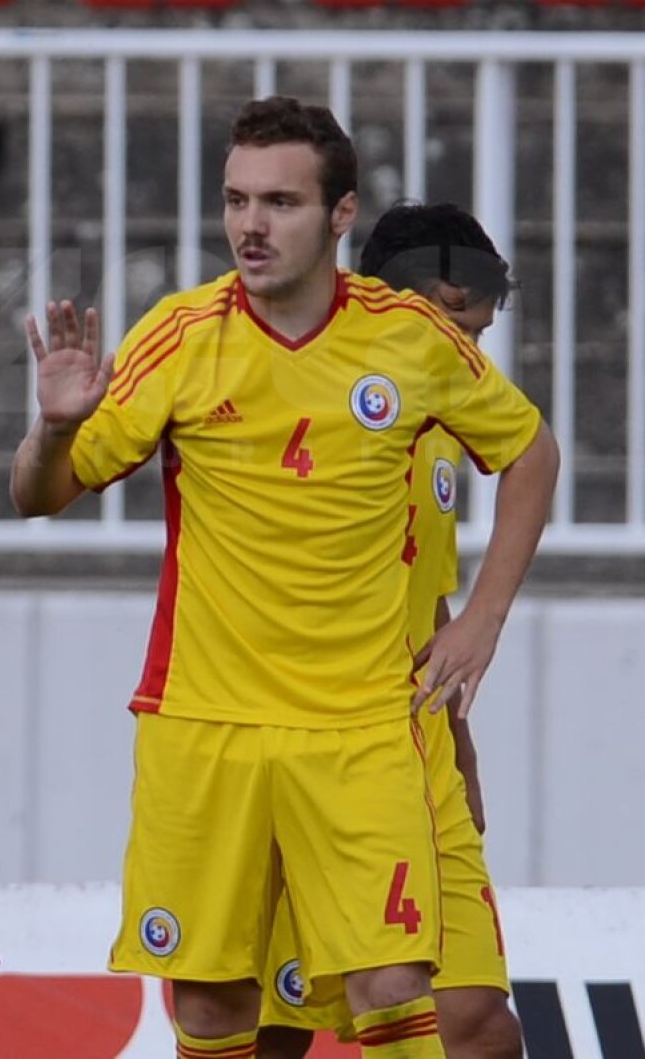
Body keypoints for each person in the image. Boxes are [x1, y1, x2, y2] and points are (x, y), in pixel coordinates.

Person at [10, 97, 558, 1059]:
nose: (250, 226)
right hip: (207, 722)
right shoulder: (180, 336)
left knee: (399, 989)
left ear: (340, 214)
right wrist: (54, 426)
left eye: (279, 202)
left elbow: (531, 449)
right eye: (235, 201)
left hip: (361, 728)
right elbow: (38, 496)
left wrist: (483, 619)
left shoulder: (409, 338)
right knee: (219, 1010)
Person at [257, 202, 524, 1059]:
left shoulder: (446, 428)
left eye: (478, 337)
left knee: (478, 1026)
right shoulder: (290, 398)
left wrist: (459, 740)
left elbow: (425, 597)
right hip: (293, 746)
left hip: (413, 757)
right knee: (271, 1032)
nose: (467, 356)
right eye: (457, 328)